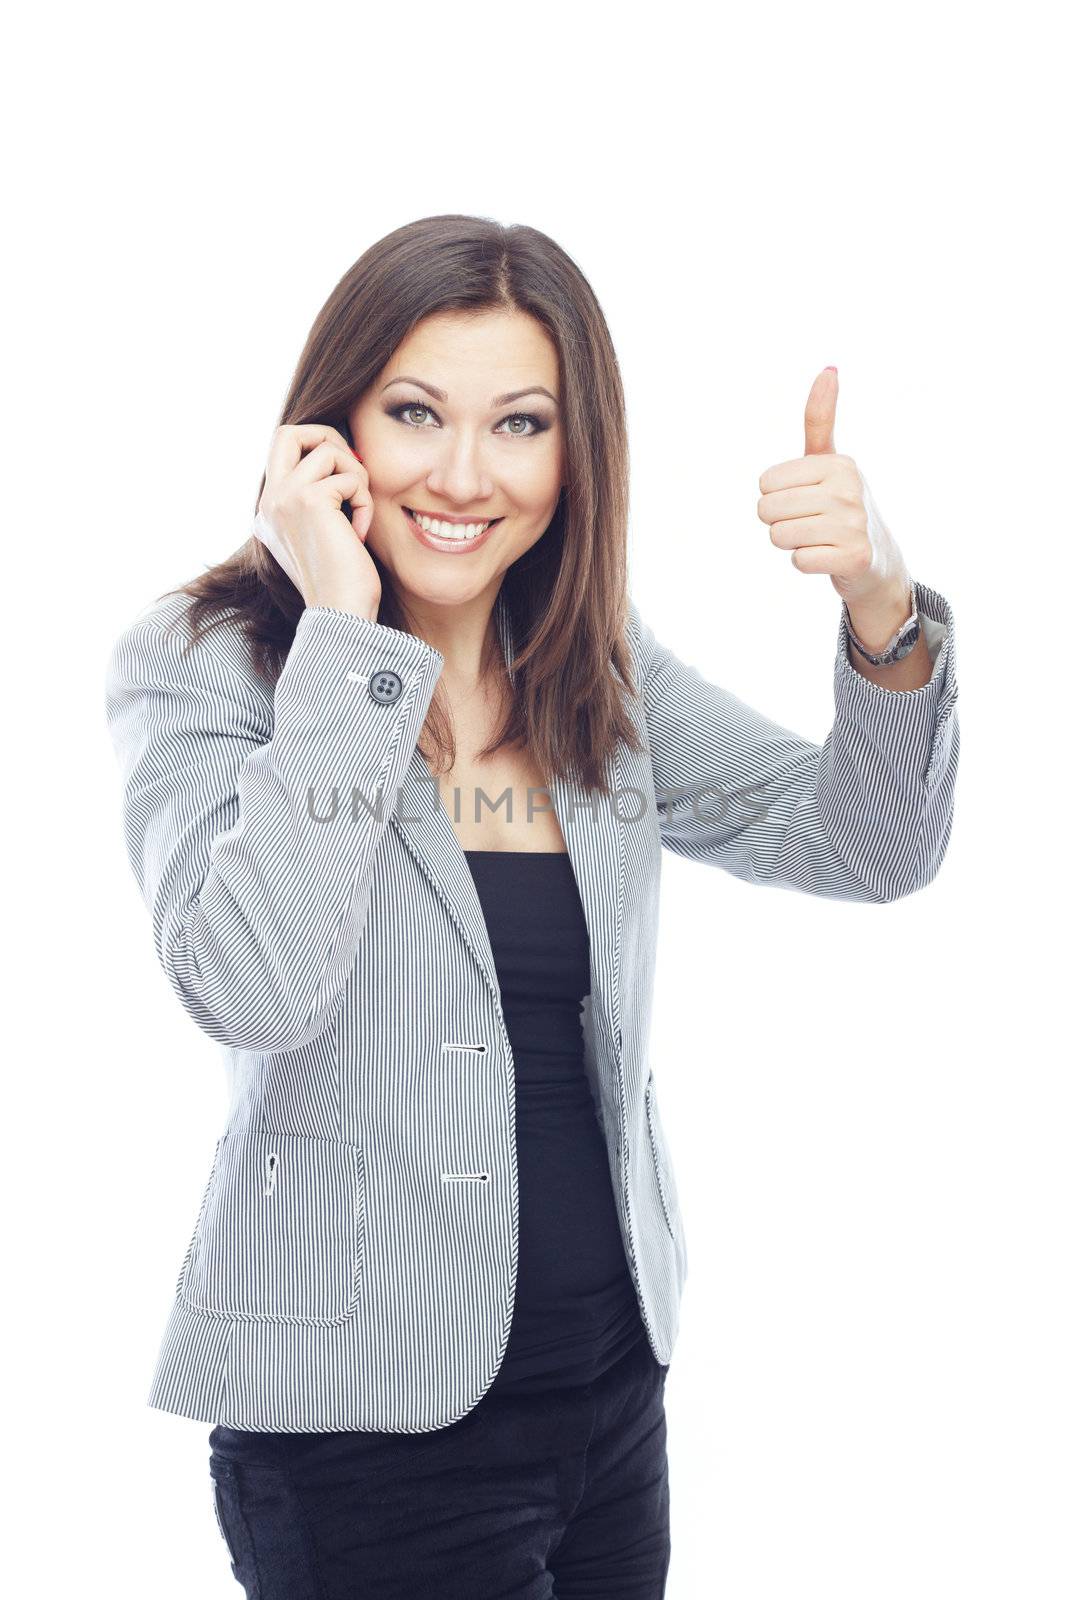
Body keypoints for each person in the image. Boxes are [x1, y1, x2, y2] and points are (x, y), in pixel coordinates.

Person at [103, 214, 960, 1599]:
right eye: (414, 412)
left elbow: (866, 844)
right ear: (328, 435)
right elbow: (251, 985)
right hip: (363, 1444)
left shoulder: (592, 663)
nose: (460, 473)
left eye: (519, 424)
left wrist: (880, 605)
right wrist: (349, 639)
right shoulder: (205, 667)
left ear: (576, 456)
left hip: (613, 1404)